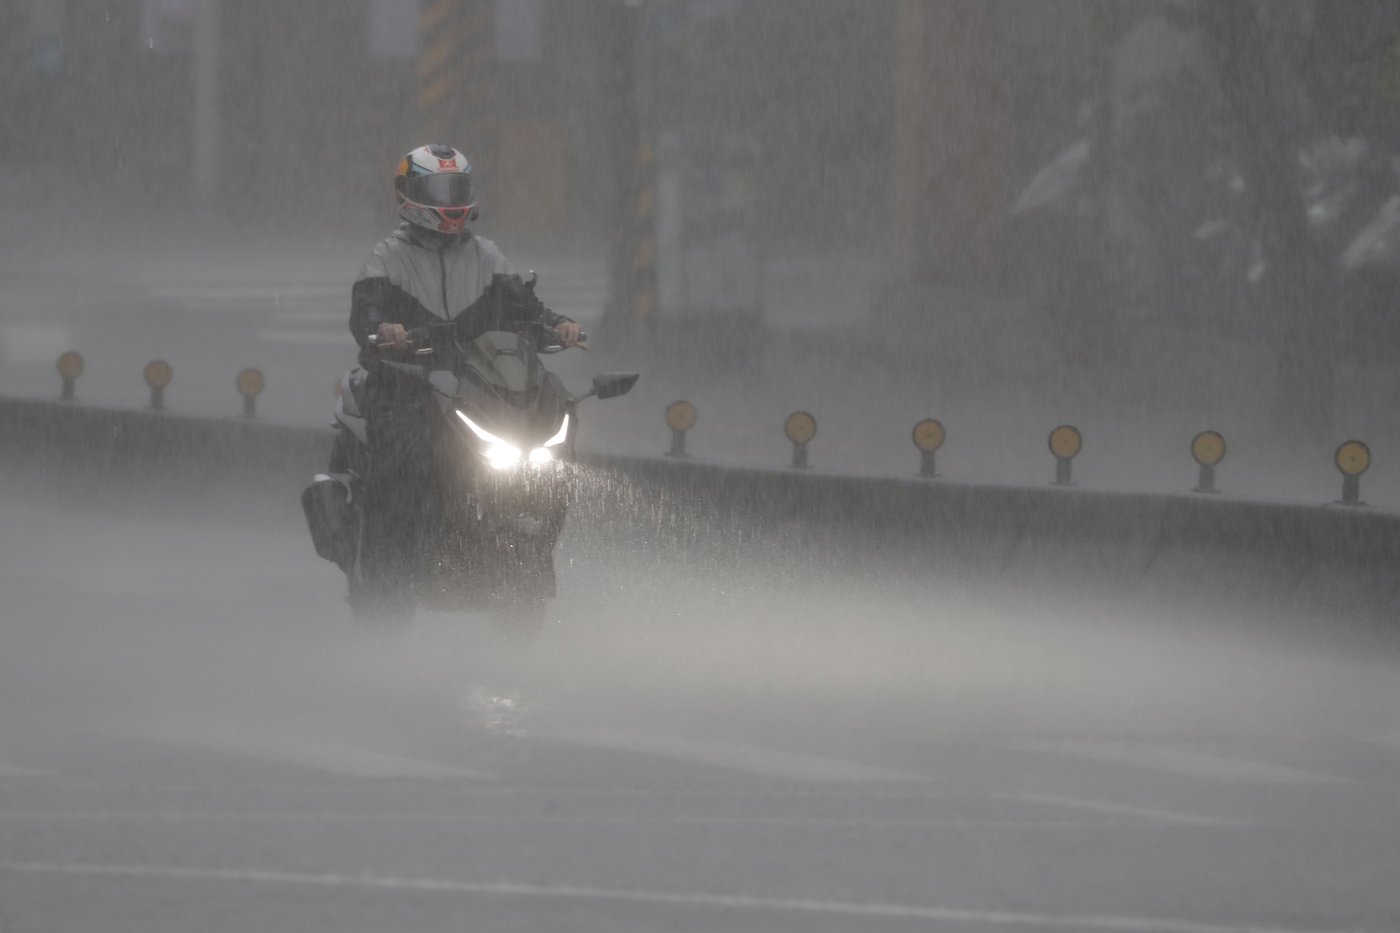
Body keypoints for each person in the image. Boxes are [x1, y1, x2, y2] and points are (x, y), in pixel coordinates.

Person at [345, 143, 581, 617]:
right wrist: (383, 330)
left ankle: (520, 551)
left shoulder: (486, 255)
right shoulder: (387, 257)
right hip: (408, 384)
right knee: (403, 462)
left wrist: (557, 325)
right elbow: (365, 313)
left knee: (548, 421)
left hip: (474, 384)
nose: (449, 199)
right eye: (438, 189)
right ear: (409, 195)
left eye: (457, 188)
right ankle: (387, 573)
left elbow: (524, 307)